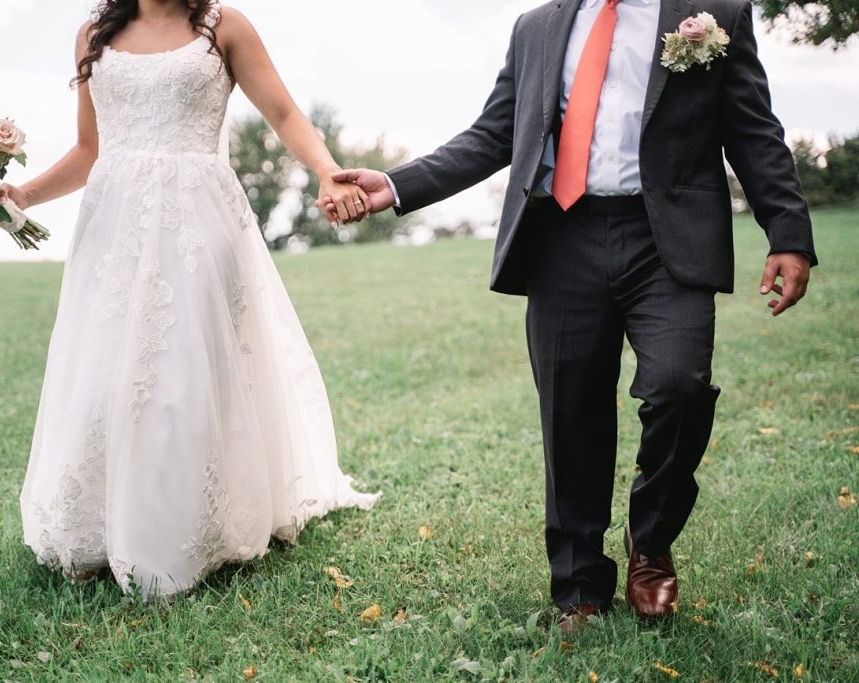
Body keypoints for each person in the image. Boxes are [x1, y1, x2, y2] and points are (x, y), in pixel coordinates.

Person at [328, 0, 816, 633]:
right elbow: (494, 134)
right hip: (561, 235)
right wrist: (393, 185)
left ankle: (652, 540)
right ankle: (580, 585)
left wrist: (789, 233)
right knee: (571, 412)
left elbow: (753, 129)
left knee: (680, 387)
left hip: (665, 238)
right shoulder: (536, 27)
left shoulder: (712, 12)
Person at [6, 0, 380, 599]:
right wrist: (22, 193)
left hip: (197, 223)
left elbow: (282, 111)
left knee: (181, 373)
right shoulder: (93, 36)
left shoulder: (221, 27)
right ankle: (93, 528)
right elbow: (88, 150)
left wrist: (326, 169)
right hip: (114, 230)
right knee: (104, 372)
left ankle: (181, 531)